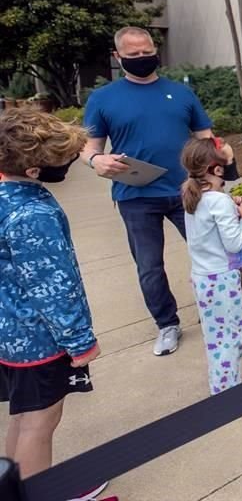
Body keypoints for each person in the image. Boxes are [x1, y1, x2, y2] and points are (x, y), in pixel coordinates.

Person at [82, 26, 215, 358]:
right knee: (149, 266)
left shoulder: (181, 93)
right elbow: (89, 146)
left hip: (188, 190)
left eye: (147, 52)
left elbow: (206, 136)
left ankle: (219, 314)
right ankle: (167, 325)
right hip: (136, 196)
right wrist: (96, 160)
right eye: (134, 55)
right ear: (118, 57)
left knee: (212, 256)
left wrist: (213, 174)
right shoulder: (103, 99)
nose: (143, 58)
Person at [0, 108, 106, 495]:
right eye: (58, 162)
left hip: (10, 333)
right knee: (40, 423)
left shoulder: (5, 196)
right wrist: (80, 342)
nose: (64, 168)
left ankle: (13, 487)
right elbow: (53, 287)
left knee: (24, 418)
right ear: (32, 171)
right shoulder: (32, 213)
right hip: (38, 340)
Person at [181, 137, 242, 395]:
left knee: (216, 339)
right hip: (222, 280)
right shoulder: (219, 201)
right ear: (217, 170)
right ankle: (226, 393)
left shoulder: (192, 195)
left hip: (203, 277)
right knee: (231, 339)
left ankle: (223, 385)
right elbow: (234, 243)